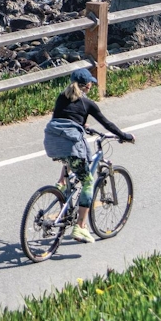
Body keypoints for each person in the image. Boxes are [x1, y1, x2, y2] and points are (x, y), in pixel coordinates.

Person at [43, 68, 134, 243]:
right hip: (70, 143)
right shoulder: (87, 104)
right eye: (90, 82)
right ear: (87, 86)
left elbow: (64, 118)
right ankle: (81, 227)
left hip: (52, 142)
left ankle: (61, 183)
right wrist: (125, 136)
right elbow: (107, 124)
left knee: (70, 155)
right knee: (88, 182)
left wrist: (82, 126)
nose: (92, 84)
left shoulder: (61, 97)